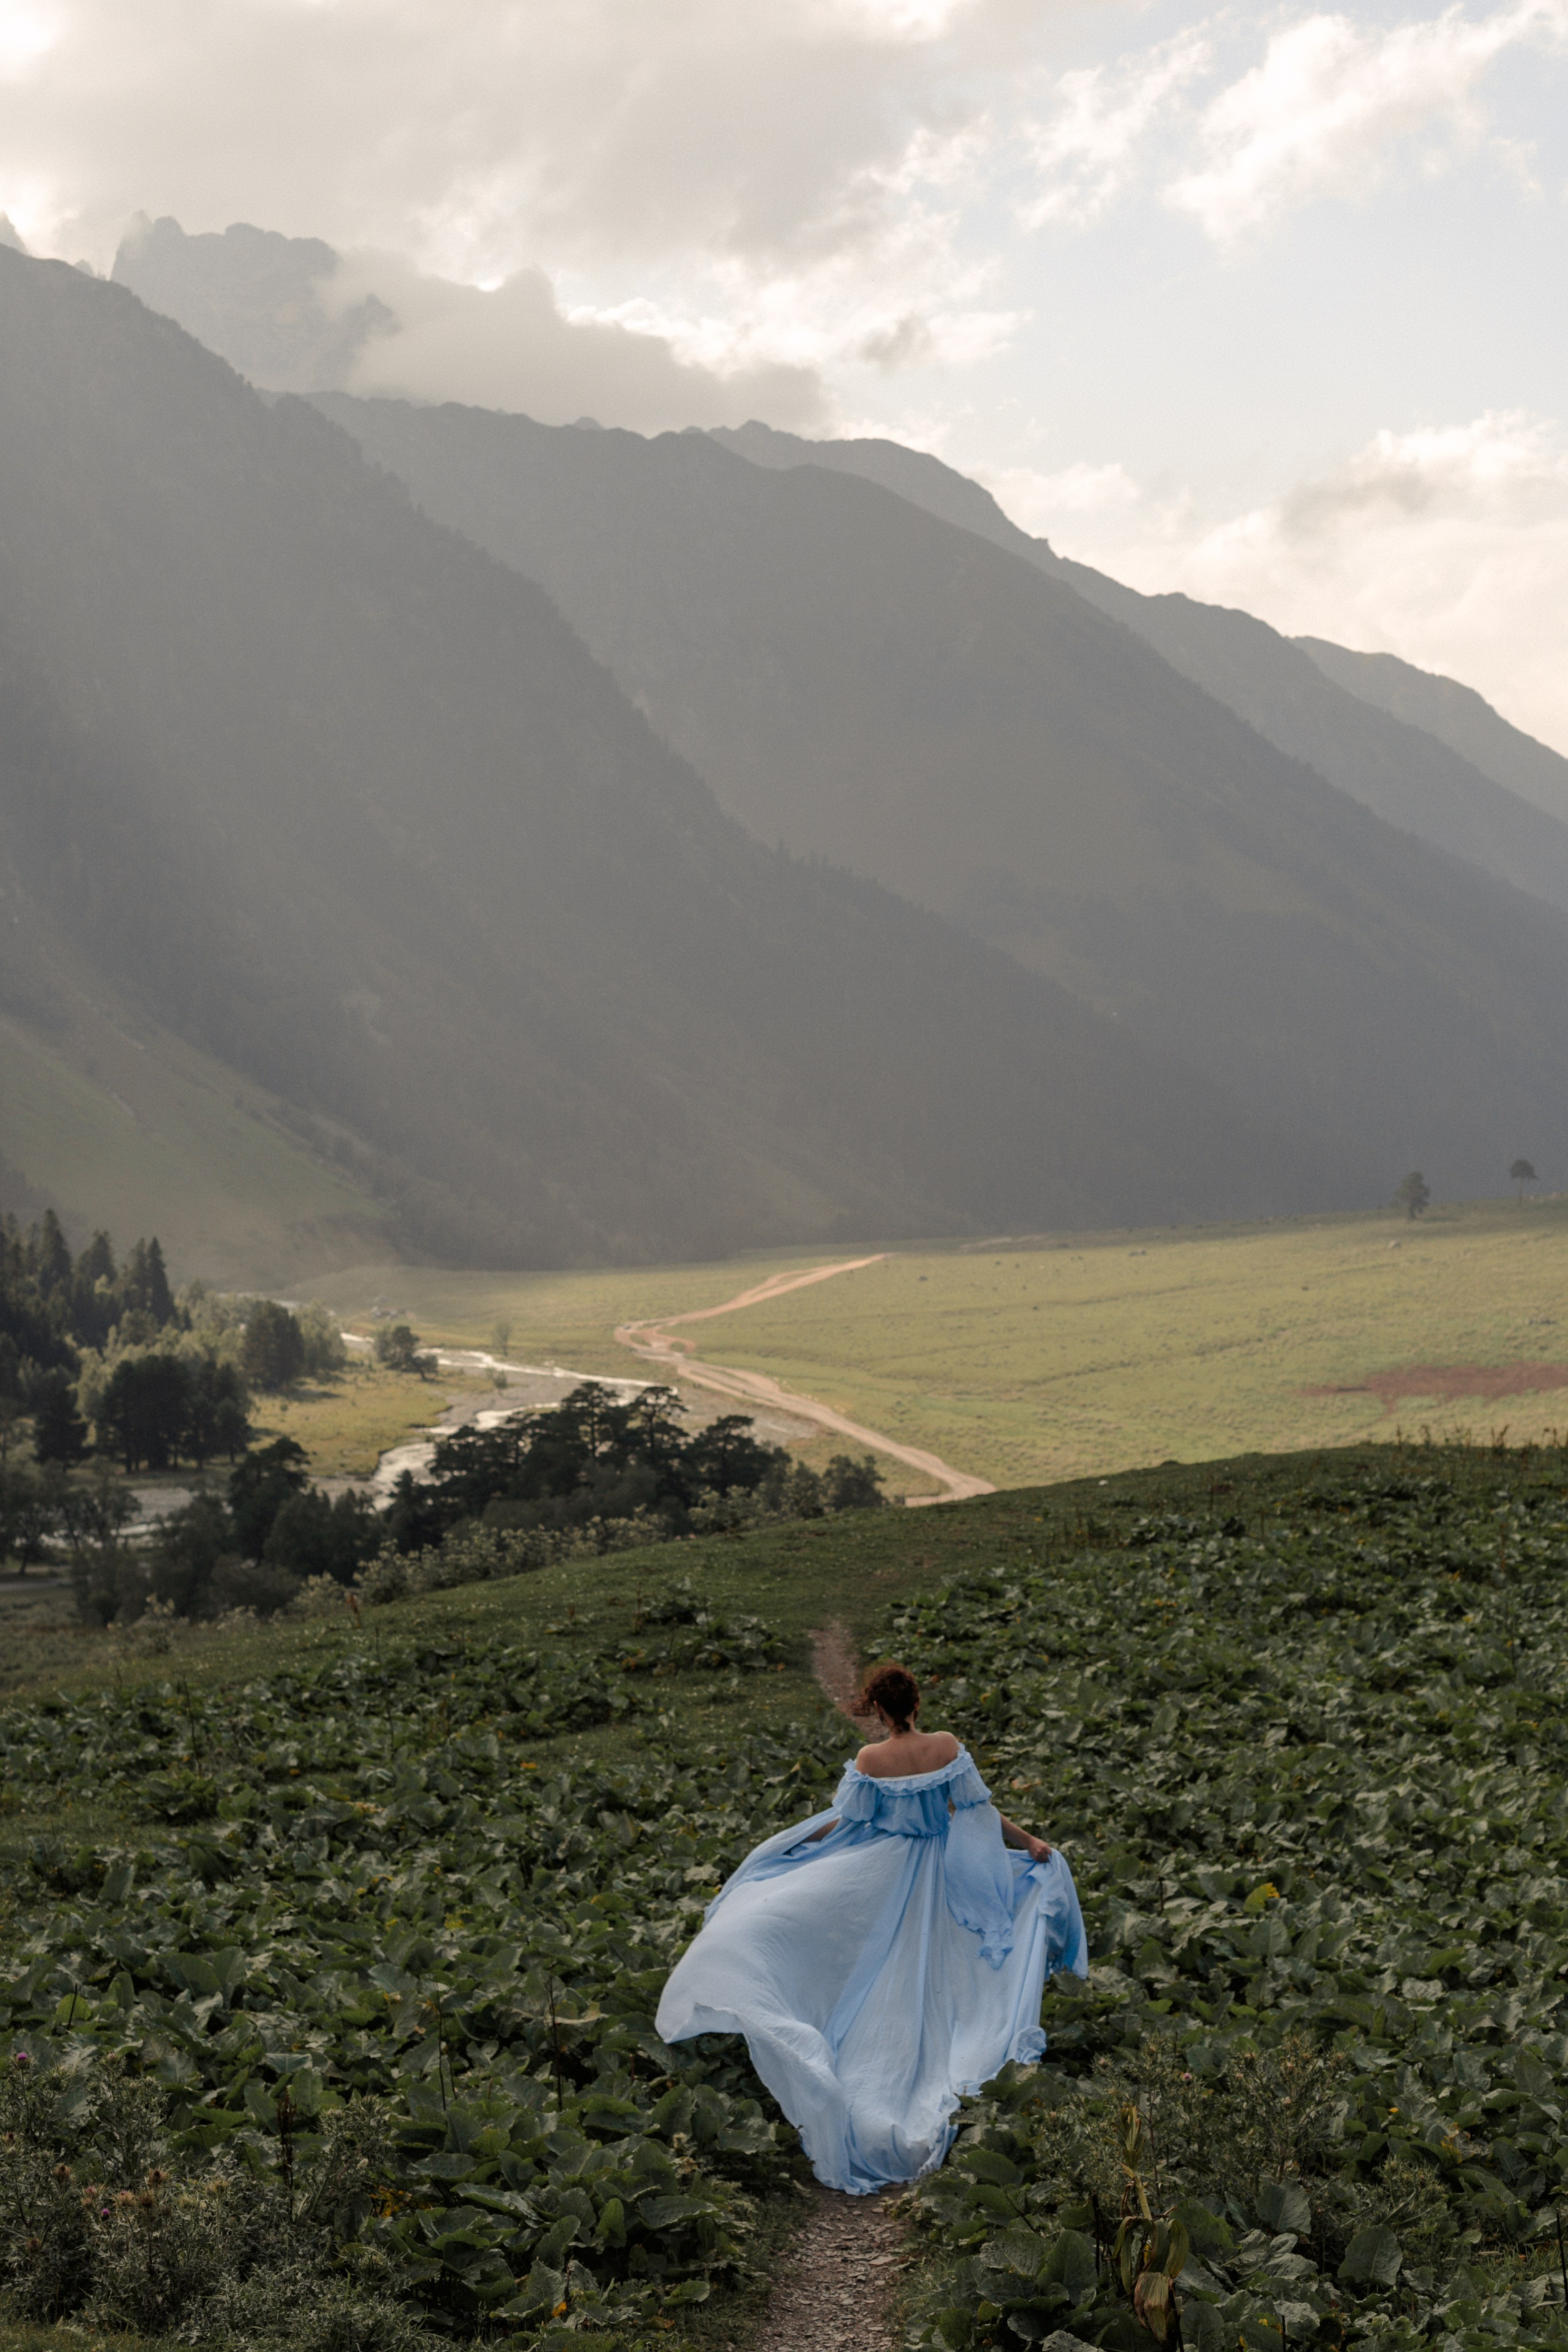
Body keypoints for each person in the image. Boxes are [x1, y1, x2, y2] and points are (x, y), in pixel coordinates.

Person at [655, 1660, 1087, 2194]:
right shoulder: (947, 1747)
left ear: (879, 1709)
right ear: (917, 1703)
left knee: (884, 1974)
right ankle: (958, 2070)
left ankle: (864, 2082)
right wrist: (1029, 1844)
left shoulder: (870, 1759)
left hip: (887, 1872)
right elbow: (976, 1811)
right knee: (946, 1979)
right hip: (942, 1872)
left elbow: (850, 1823)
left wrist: (802, 1846)